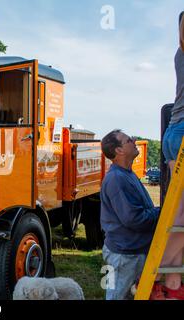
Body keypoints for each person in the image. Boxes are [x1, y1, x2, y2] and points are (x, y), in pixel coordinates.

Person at [100, 130, 161, 300]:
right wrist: (160, 212)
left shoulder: (126, 174)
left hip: (127, 253)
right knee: (116, 297)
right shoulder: (117, 179)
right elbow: (134, 219)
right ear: (118, 151)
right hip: (124, 256)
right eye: (128, 140)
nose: (134, 140)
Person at [157, 11, 184, 300]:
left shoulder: (179, 53)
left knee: (180, 213)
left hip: (175, 133)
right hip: (181, 134)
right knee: (182, 212)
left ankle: (172, 283)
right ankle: (155, 267)